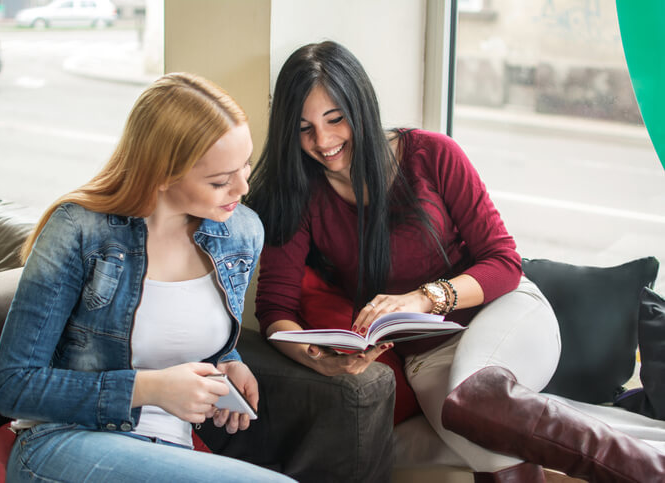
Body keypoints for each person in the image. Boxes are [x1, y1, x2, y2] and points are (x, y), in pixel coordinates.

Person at [246, 40, 665, 482]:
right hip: (426, 358)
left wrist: (423, 299)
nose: (324, 141)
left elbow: (504, 261)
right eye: (304, 128)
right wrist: (317, 358)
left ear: (362, 107)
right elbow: (276, 310)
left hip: (505, 312)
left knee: (474, 400)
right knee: (487, 453)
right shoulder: (296, 197)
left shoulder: (431, 154)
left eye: (336, 119)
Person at [0, 72, 293, 483]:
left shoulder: (240, 233)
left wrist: (227, 362)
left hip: (168, 448)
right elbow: (13, 386)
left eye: (246, 165)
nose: (241, 187)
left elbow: (176, 328)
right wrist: (149, 389)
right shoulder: (80, 230)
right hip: (66, 441)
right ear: (163, 174)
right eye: (220, 180)